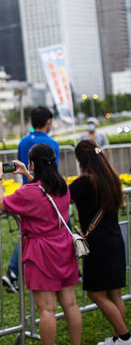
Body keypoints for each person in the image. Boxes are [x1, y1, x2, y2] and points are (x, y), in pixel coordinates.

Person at [0, 143, 81, 345]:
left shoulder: (29, 193)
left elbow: (0, 202)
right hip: (64, 248)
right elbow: (43, 193)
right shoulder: (61, 188)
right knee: (71, 304)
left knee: (47, 309)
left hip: (42, 253)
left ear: (32, 163)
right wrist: (27, 173)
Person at [69, 140, 129, 345]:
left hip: (98, 245)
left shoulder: (84, 182)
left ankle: (125, 337)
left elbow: (58, 196)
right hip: (115, 240)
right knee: (115, 294)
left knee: (96, 293)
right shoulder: (111, 177)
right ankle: (118, 339)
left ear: (81, 160)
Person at [3, 106, 60, 293]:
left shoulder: (23, 142)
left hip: (27, 192)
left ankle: (12, 273)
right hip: (46, 196)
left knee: (27, 234)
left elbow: (24, 168)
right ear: (48, 122)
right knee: (58, 231)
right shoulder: (52, 143)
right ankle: (68, 266)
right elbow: (53, 173)